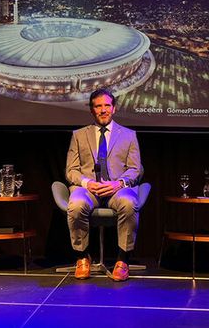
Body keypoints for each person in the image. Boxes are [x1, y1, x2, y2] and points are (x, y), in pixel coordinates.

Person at [64, 88, 143, 282]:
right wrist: (87, 182)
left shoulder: (129, 135)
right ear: (92, 110)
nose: (103, 110)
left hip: (117, 189)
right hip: (88, 189)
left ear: (114, 108)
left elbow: (135, 169)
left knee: (128, 203)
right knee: (75, 205)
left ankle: (123, 259)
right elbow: (71, 170)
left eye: (107, 105)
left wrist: (119, 183)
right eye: (98, 106)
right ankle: (82, 257)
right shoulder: (78, 135)